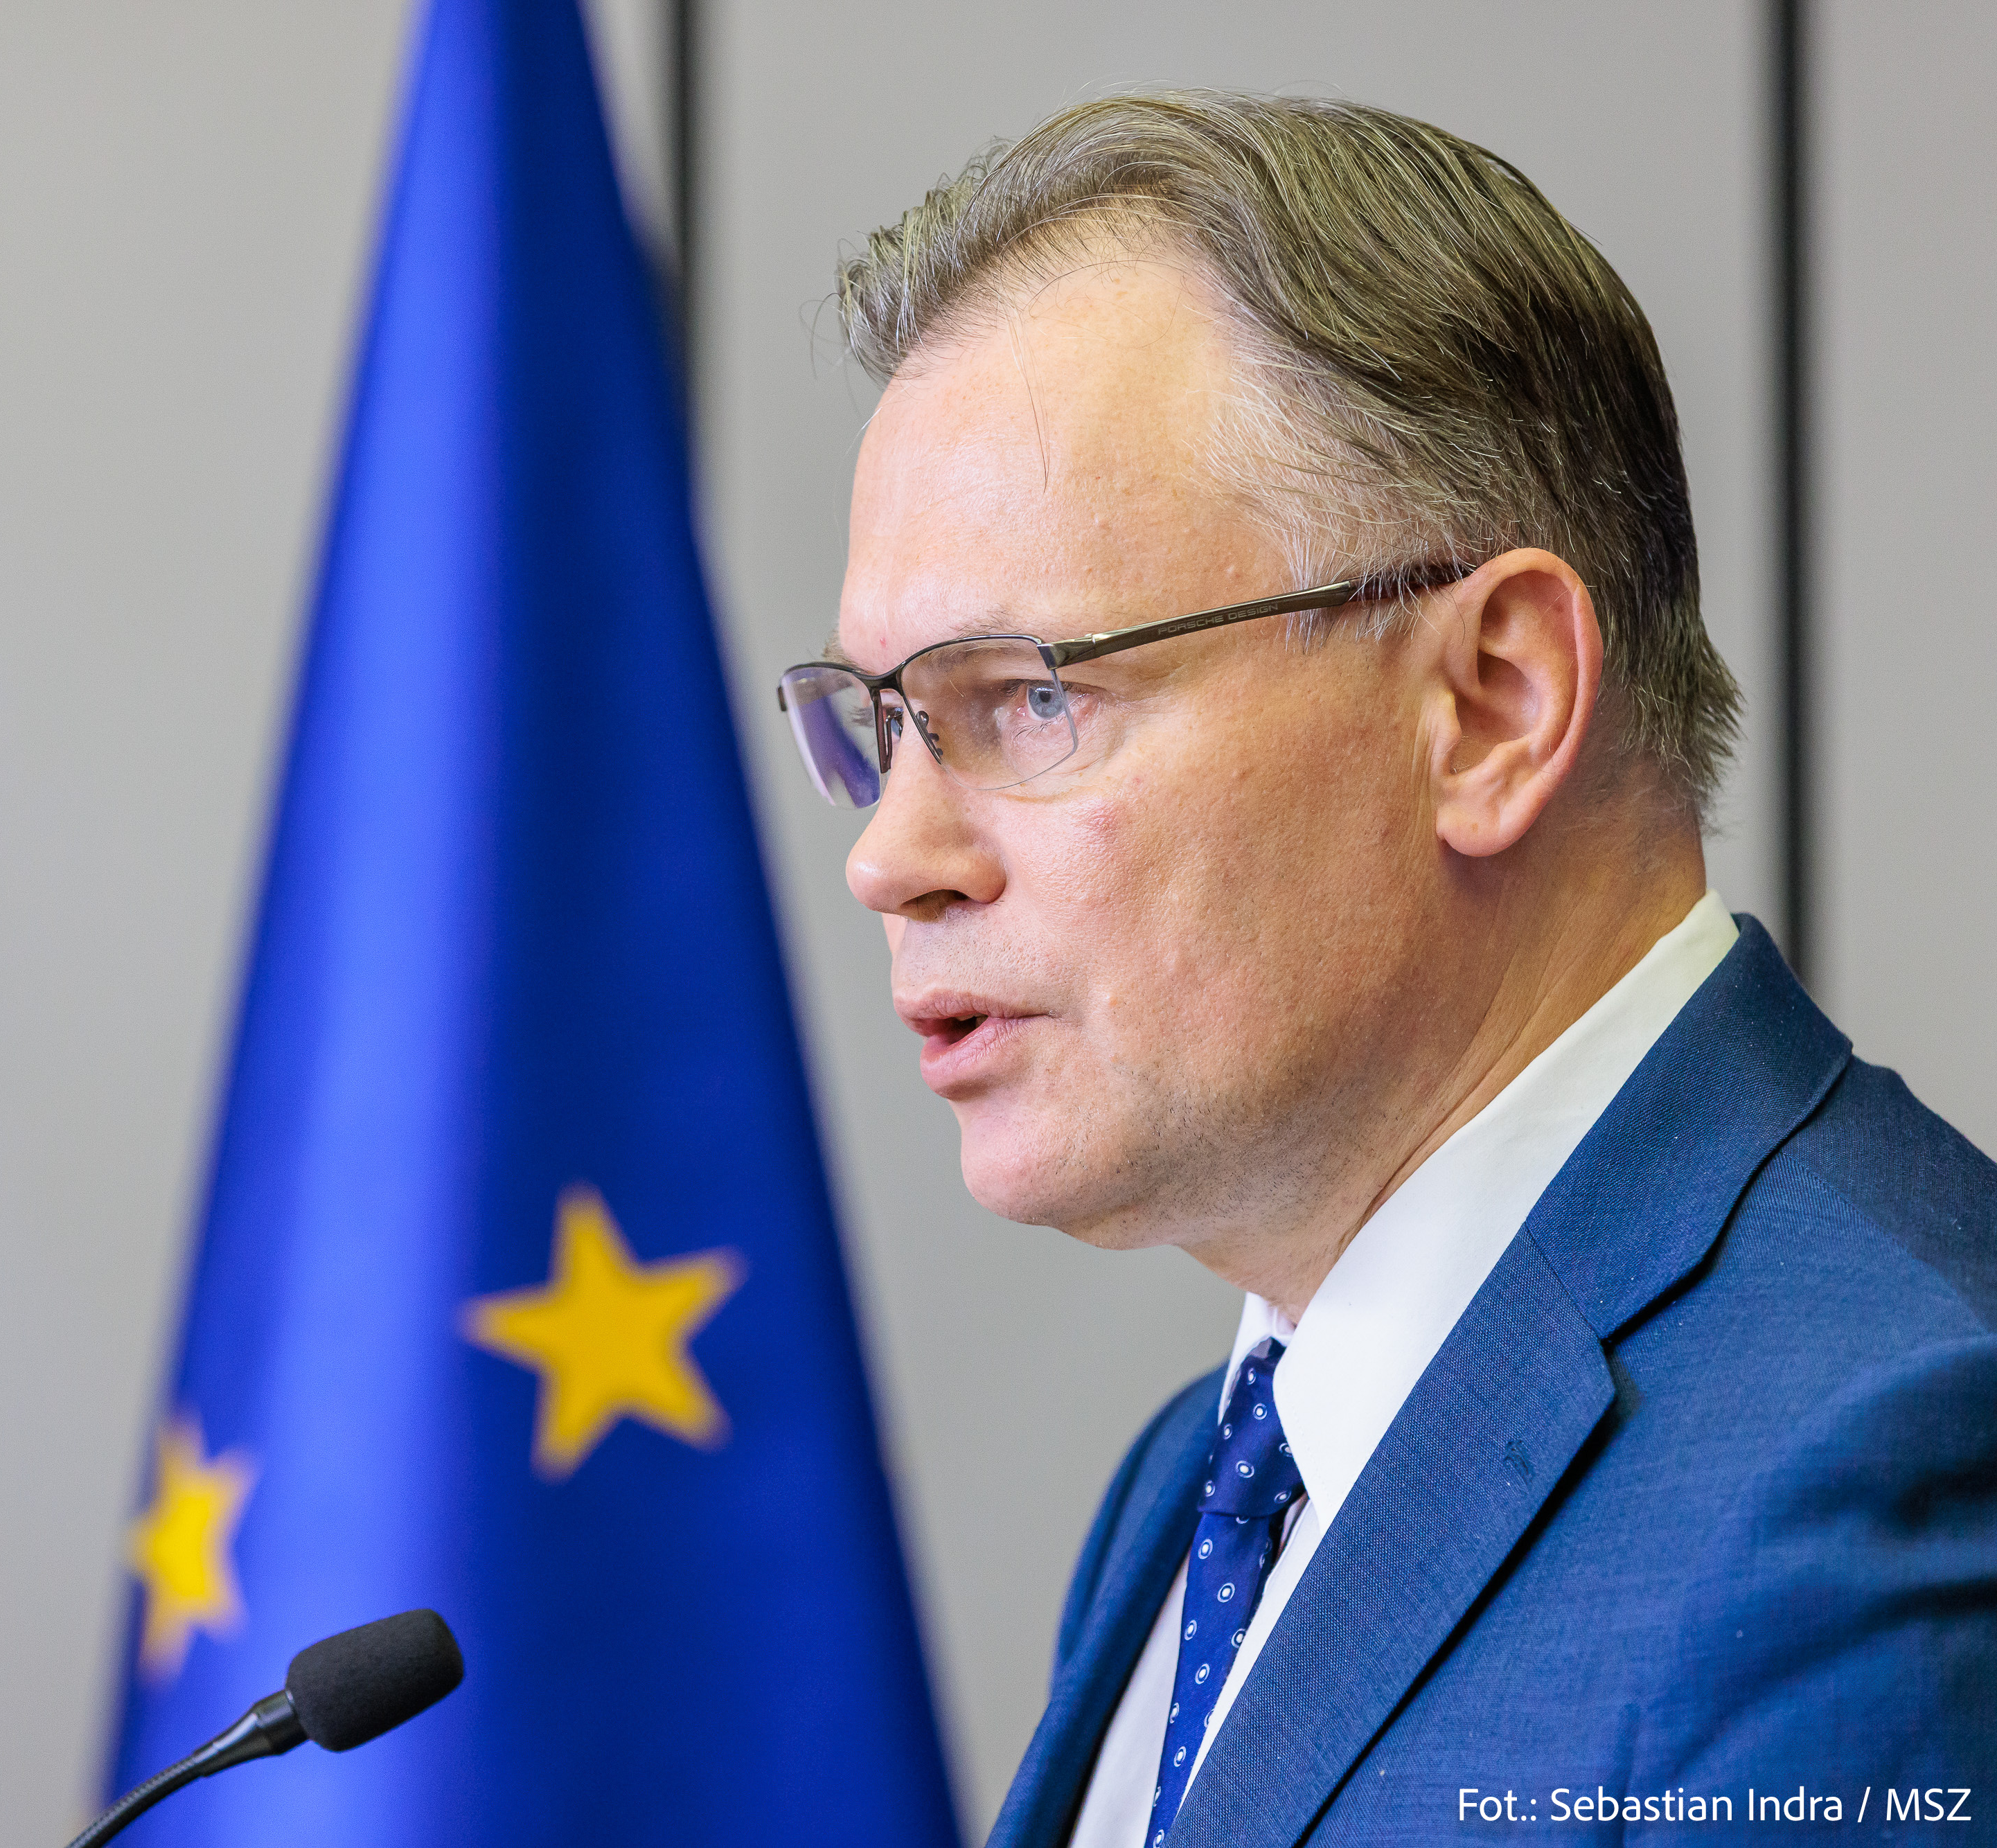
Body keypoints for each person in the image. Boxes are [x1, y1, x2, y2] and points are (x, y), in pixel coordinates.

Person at [773, 93, 1997, 1847]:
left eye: (1028, 697)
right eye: (880, 722)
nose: (888, 856)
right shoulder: (1198, 1480)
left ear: (1490, 704)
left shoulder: (1878, 1472)